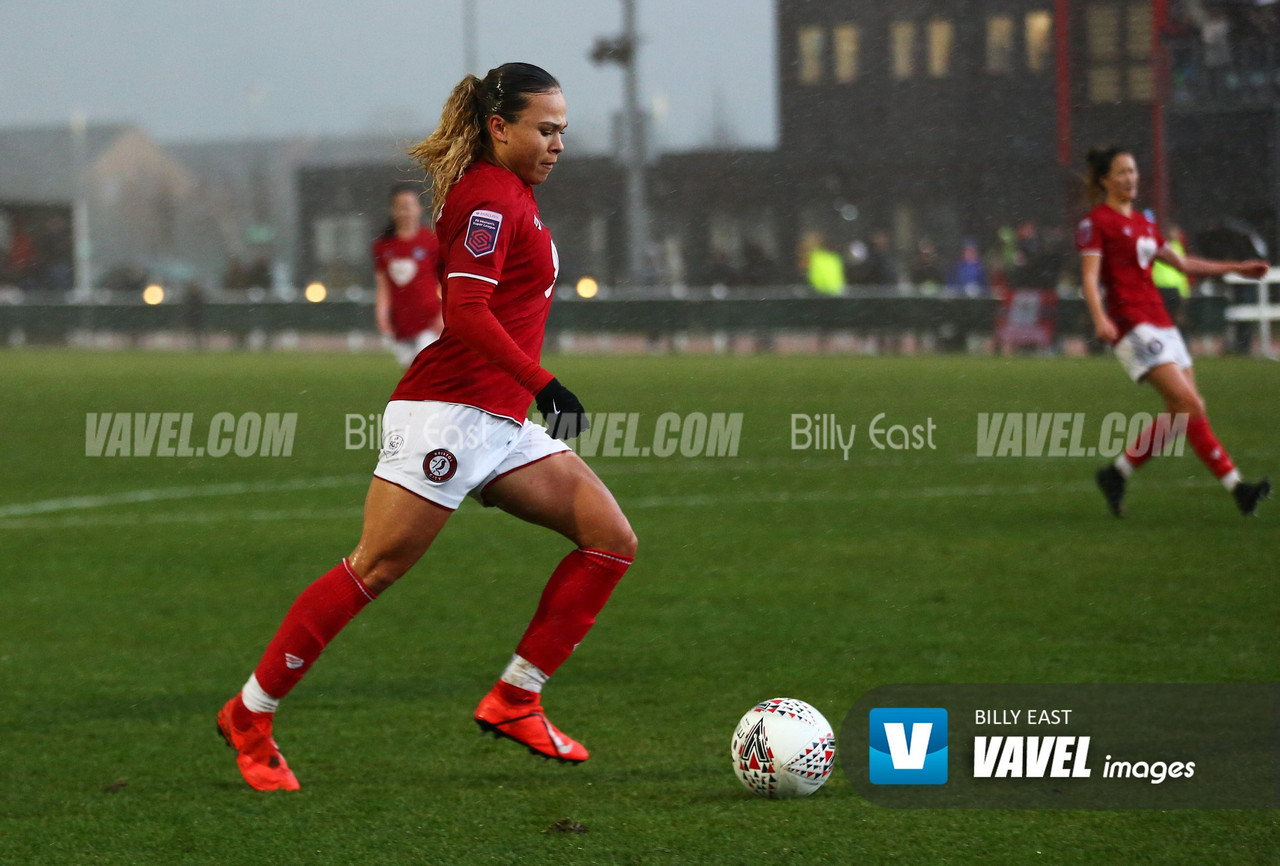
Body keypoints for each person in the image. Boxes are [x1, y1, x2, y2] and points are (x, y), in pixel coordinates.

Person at [217, 62, 637, 791]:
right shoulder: (485, 200)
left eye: (562, 130)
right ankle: (250, 714)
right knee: (374, 567)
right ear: (500, 128)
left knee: (610, 540)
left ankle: (516, 698)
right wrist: (547, 383)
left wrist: (525, 392)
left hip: (498, 419)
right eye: (545, 128)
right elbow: (467, 314)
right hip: (448, 416)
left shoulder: (513, 196)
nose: (557, 143)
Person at [1079, 146, 1271, 517]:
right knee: (1190, 405)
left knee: (1183, 413)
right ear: (1104, 180)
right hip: (1132, 326)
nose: (1130, 178)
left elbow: (1183, 264)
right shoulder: (1096, 223)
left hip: (1163, 324)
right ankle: (1239, 489)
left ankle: (1116, 473)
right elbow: (1089, 276)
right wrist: (1100, 317)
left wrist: (1238, 267)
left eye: (1133, 171)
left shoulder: (1145, 223)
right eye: (1121, 172)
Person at [373, 182, 444, 366]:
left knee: (425, 367)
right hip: (401, 322)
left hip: (429, 319)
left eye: (409, 206)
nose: (405, 212)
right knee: (411, 371)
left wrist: (443, 314)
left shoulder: (430, 241)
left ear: (419, 209)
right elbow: (383, 286)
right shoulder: (383, 246)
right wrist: (382, 315)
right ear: (392, 210)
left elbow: (444, 281)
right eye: (400, 207)